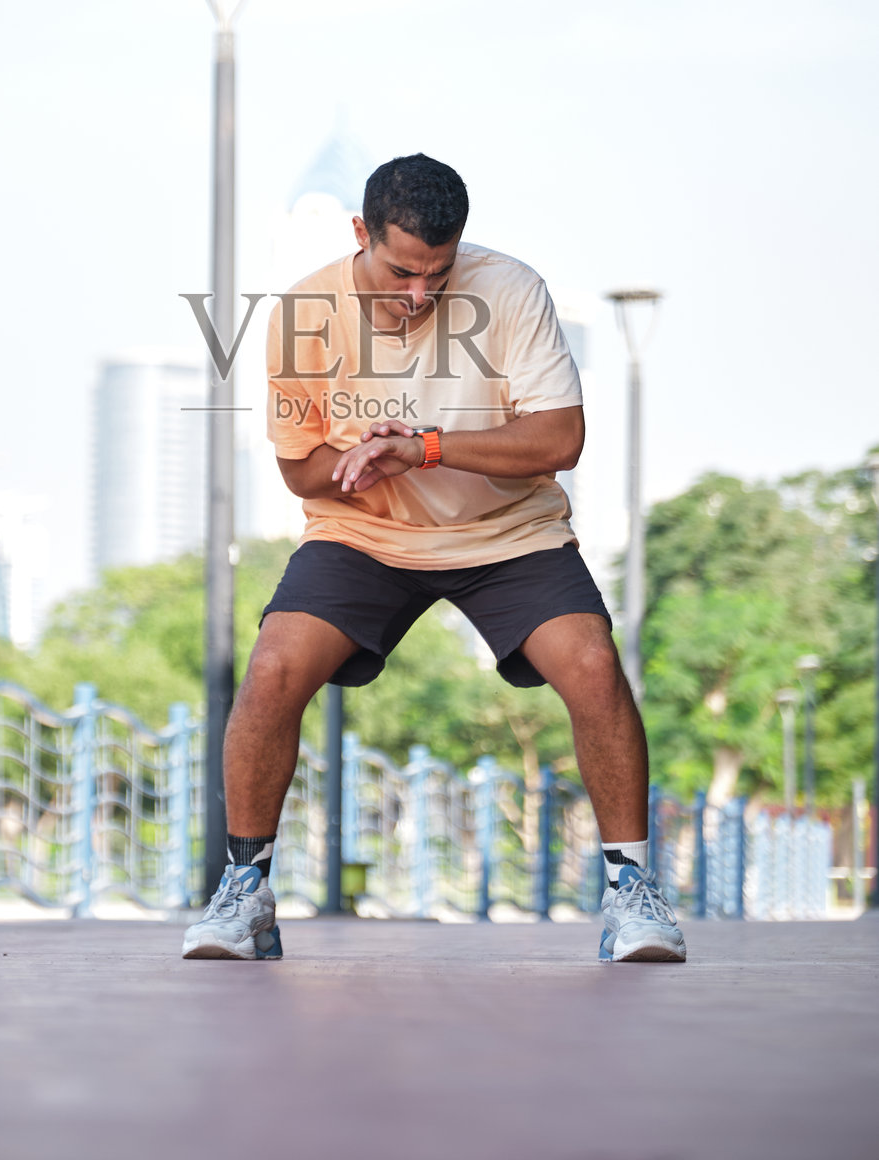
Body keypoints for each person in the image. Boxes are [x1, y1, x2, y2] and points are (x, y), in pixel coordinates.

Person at [182, 153, 685, 964]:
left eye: (438, 273)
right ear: (361, 235)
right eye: (401, 270)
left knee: (593, 666)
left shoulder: (511, 291)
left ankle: (633, 892)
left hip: (509, 534)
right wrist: (369, 459)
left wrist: (424, 448)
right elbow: (299, 469)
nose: (418, 293)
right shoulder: (303, 310)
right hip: (365, 534)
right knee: (273, 668)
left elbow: (561, 440)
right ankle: (246, 890)